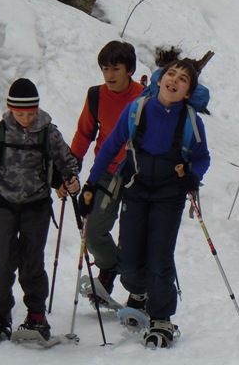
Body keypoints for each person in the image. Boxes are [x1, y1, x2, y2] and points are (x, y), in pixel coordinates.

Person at [79, 59, 210, 348]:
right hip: (135, 191)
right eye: (171, 74)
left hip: (169, 197)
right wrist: (91, 184)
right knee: (128, 256)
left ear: (188, 92)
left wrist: (193, 176)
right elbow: (110, 147)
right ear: (160, 79)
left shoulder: (191, 121)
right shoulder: (136, 110)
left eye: (182, 79)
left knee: (160, 256)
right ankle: (139, 292)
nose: (174, 80)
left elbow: (202, 158)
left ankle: (161, 317)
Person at [0, 78, 81, 341]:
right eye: (20, 113)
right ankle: (0, 315)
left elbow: (67, 160)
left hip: (36, 206)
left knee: (31, 261)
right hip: (3, 204)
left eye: (31, 113)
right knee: (2, 260)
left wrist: (71, 178)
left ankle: (36, 316)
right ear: (10, 109)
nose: (26, 119)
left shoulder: (49, 132)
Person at [68, 41, 144, 306]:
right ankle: (109, 266)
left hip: (137, 176)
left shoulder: (145, 98)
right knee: (92, 231)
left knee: (134, 236)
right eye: (105, 69)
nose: (109, 75)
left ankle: (138, 289)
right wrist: (71, 166)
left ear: (130, 70)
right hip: (106, 171)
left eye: (116, 69)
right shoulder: (96, 96)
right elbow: (84, 133)